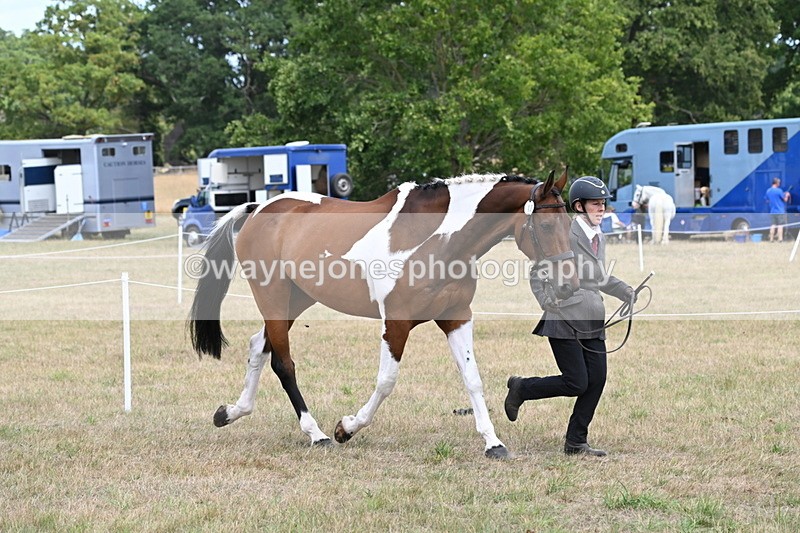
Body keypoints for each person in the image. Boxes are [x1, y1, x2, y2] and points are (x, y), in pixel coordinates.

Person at [505, 176, 636, 457]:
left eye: (603, 204)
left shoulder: (598, 236)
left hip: (592, 316)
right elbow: (538, 271)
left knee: (597, 380)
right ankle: (522, 388)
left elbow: (598, 276)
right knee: (577, 381)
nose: (601, 209)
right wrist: (546, 300)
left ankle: (576, 442)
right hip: (563, 316)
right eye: (595, 204)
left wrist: (624, 290)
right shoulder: (565, 232)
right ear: (578, 206)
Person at [765, 177, 790, 242]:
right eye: (779, 182)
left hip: (772, 211)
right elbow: (785, 200)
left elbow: (767, 200)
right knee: (780, 225)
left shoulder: (768, 191)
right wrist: (787, 195)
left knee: (773, 225)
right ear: (776, 183)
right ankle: (780, 239)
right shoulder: (779, 190)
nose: (779, 184)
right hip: (780, 211)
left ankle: (771, 239)